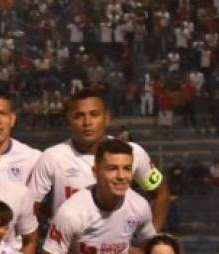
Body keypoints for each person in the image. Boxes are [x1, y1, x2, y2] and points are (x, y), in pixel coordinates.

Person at [27, 88, 171, 231]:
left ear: (106, 119)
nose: (87, 122)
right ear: (69, 121)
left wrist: (150, 240)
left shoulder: (133, 152)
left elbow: (161, 194)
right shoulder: (52, 157)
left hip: (119, 249)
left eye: (94, 114)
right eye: (79, 116)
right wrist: (57, 216)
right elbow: (30, 206)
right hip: (70, 251)